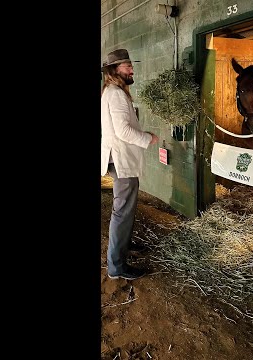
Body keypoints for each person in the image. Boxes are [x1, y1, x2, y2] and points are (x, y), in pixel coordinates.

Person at [101, 48, 159, 280]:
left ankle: (124, 244)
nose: (131, 69)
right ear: (115, 70)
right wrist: (147, 138)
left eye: (130, 65)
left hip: (120, 157)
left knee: (124, 210)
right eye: (127, 66)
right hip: (122, 159)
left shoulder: (113, 92)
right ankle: (117, 266)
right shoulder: (114, 93)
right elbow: (123, 131)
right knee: (123, 212)